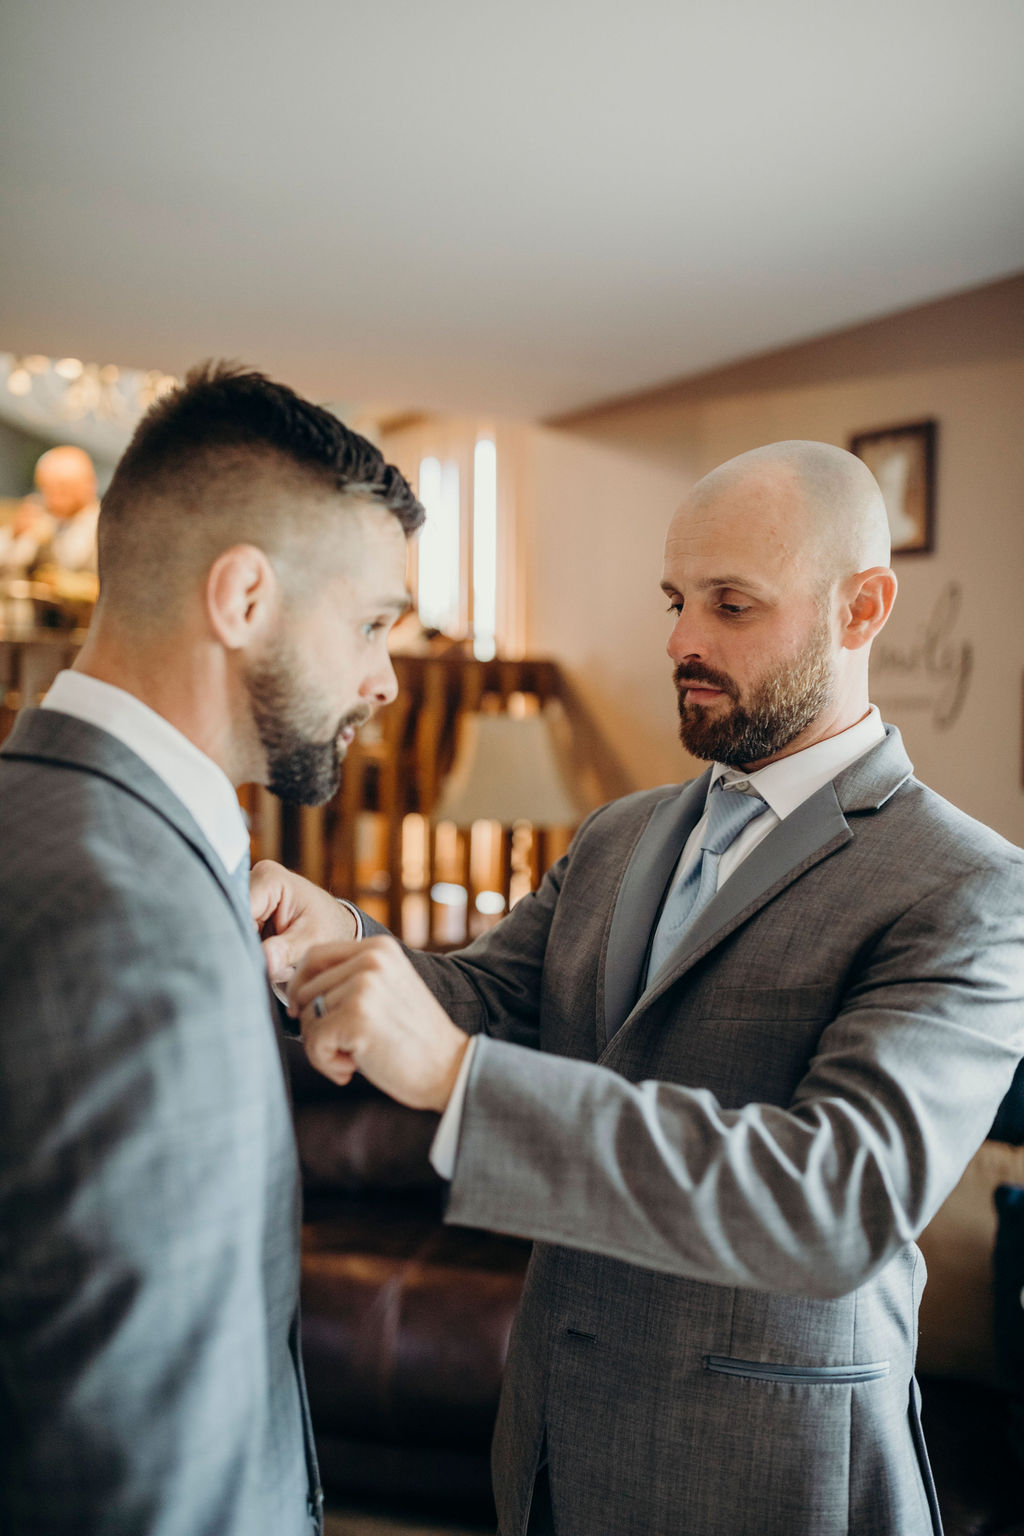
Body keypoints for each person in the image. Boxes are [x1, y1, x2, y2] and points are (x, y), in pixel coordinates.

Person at [252, 440, 1024, 1536]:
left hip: (765, 1482)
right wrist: (339, 933)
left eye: (731, 605)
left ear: (863, 608)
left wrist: (464, 1086)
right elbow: (477, 997)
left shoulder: (970, 889)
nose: (679, 641)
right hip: (553, 1453)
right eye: (675, 599)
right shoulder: (620, 835)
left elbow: (836, 1200)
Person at [0, 363, 423, 1535]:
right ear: (242, 599)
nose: (385, 677)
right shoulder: (136, 932)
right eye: (374, 622)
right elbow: (141, 1464)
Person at [31, 443, 102, 574]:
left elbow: (70, 562)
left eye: (63, 489)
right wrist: (17, 535)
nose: (54, 498)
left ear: (89, 484)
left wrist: (45, 539)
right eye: (47, 489)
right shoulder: (48, 517)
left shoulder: (104, 524)